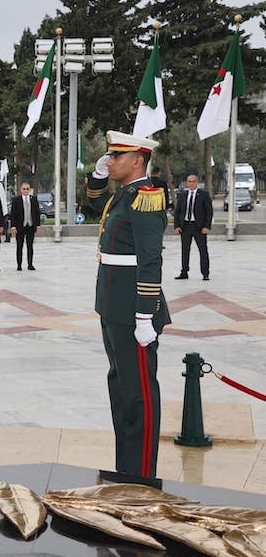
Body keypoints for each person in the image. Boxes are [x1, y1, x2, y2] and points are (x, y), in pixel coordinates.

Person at [86, 130, 171, 478]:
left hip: (133, 309)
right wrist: (98, 176)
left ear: (138, 159)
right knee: (120, 389)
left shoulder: (147, 197)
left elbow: (150, 259)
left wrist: (145, 313)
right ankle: (126, 469)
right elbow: (93, 205)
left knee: (138, 396)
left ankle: (141, 476)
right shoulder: (124, 195)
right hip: (111, 305)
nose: (111, 160)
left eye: (116, 157)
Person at [173, 174, 213, 281]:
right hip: (185, 226)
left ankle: (205, 273)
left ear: (197, 182)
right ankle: (184, 272)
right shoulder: (182, 195)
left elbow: (209, 212)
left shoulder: (203, 194)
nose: (191, 183)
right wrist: (176, 226)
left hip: (199, 227)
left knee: (203, 250)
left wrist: (206, 226)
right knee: (185, 250)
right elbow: (177, 212)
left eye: (193, 181)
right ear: (187, 183)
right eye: (189, 181)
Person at [10, 182, 41, 271]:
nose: (26, 191)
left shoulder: (34, 199)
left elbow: (37, 213)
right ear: (21, 190)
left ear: (29, 190)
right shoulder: (16, 200)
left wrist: (37, 225)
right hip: (20, 226)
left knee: (30, 246)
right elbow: (13, 214)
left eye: (27, 189)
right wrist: (13, 226)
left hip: (30, 226)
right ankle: (19, 265)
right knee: (19, 246)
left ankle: (30, 264)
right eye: (24, 189)